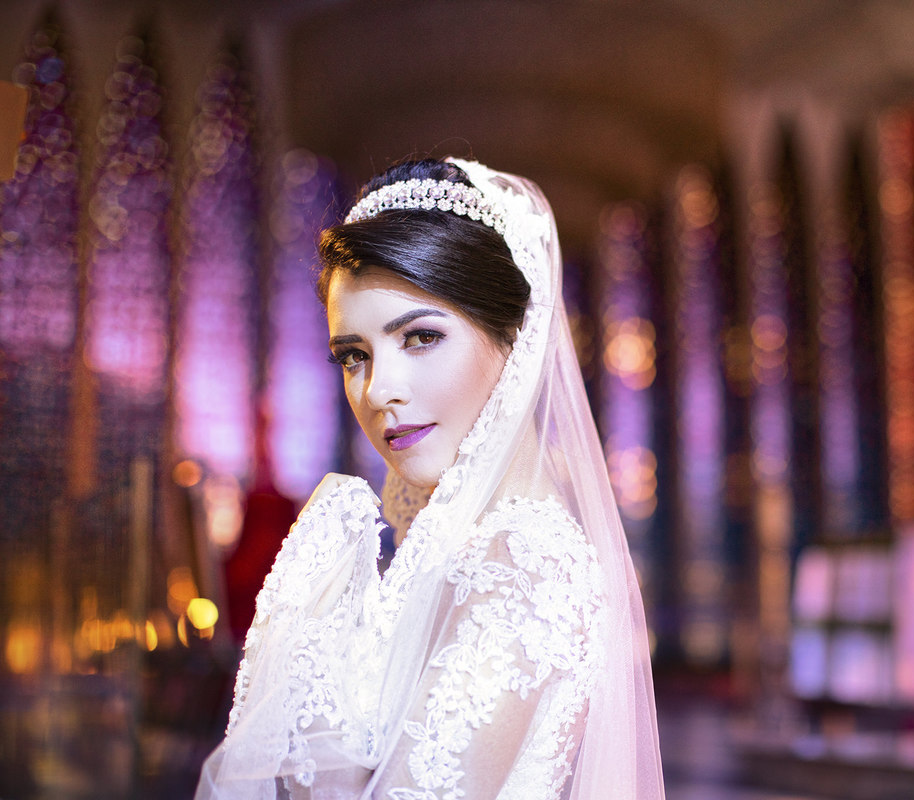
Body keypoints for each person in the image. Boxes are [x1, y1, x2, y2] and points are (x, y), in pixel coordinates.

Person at [195, 157, 665, 799]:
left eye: (419, 337)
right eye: (354, 355)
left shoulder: (522, 566)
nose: (379, 390)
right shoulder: (461, 550)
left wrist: (301, 616)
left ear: (517, 336)